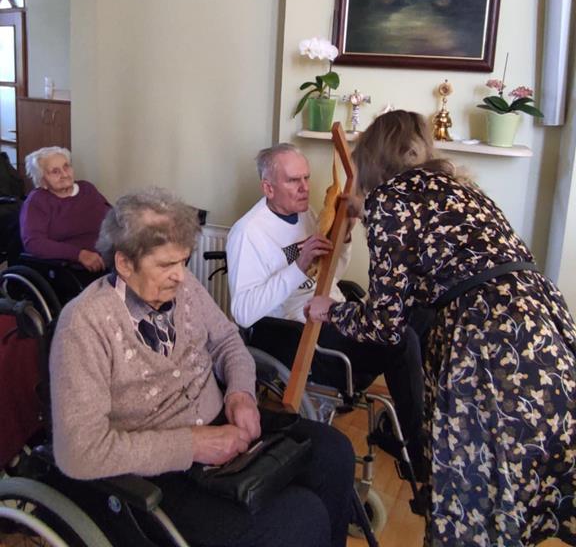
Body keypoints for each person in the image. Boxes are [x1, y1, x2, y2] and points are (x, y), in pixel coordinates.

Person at [306, 110, 576, 547]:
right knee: (530, 469)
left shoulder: (390, 199)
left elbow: (385, 324)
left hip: (491, 341)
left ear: (371, 158)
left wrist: (332, 311)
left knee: (475, 494)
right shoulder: (459, 189)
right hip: (541, 322)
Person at [49, 187, 355, 547]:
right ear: (124, 263)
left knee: (334, 453)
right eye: (166, 265)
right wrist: (191, 445)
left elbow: (227, 342)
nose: (181, 276)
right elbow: (79, 453)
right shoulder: (84, 325)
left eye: (183, 261)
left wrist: (240, 393)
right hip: (157, 472)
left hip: (221, 428)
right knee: (299, 519)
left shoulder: (185, 287)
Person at [227, 143, 425, 466]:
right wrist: (298, 266)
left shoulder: (305, 214)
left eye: (306, 178)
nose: (305, 187)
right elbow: (243, 312)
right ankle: (415, 447)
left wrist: (342, 241)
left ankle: (408, 424)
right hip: (301, 335)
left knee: (418, 312)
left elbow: (329, 276)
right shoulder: (248, 233)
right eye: (293, 180)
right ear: (268, 188)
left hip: (334, 314)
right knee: (401, 340)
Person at [19, 147, 110, 274]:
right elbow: (34, 242)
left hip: (109, 259)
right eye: (55, 171)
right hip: (70, 269)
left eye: (66, 167)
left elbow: (113, 217)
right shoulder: (37, 201)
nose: (64, 175)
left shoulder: (87, 189)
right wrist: (79, 255)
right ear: (42, 180)